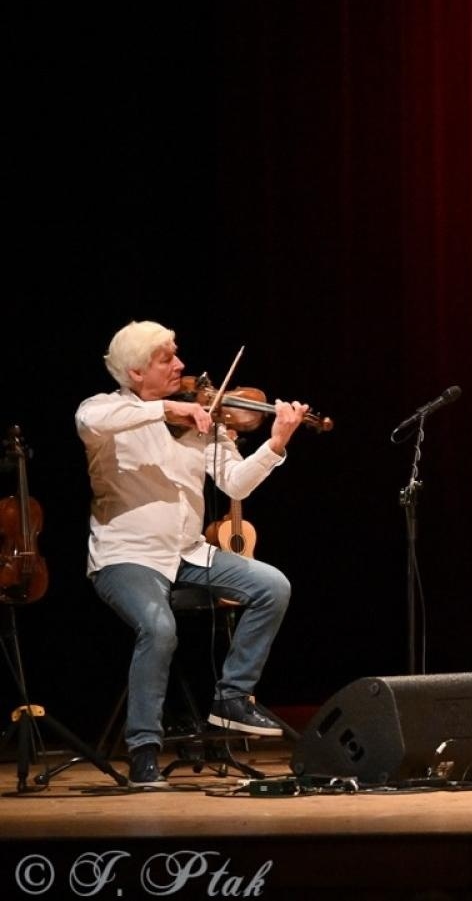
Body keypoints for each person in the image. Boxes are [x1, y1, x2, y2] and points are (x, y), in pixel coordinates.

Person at [76, 321, 306, 787]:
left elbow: (235, 483)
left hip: (188, 554)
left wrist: (276, 443)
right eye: (166, 358)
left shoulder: (202, 422)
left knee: (272, 586)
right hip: (127, 557)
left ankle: (232, 698)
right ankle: (143, 750)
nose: (181, 365)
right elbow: (91, 422)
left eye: (177, 355)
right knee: (159, 627)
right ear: (136, 372)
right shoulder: (104, 411)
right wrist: (169, 408)